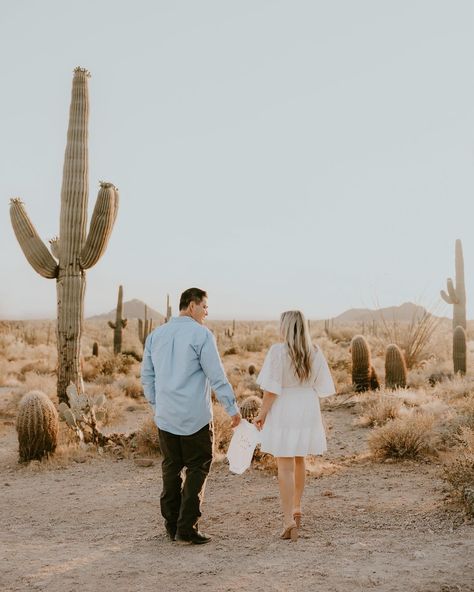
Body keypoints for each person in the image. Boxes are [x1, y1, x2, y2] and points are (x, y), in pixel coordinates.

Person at [141, 287, 241, 545]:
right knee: (198, 466)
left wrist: (156, 404)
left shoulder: (155, 335)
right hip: (195, 416)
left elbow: (147, 376)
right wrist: (232, 409)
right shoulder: (201, 335)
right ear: (193, 305)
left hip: (166, 416)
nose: (207, 312)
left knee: (171, 467)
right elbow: (216, 376)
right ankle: (186, 527)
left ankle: (171, 524)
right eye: (205, 307)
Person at [254, 310, 335, 541]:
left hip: (284, 407)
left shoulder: (278, 352)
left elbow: (271, 389)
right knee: (300, 458)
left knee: (285, 464)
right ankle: (297, 508)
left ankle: (288, 520)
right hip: (307, 407)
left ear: (286, 328)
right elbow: (322, 387)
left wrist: (261, 414)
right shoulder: (315, 351)